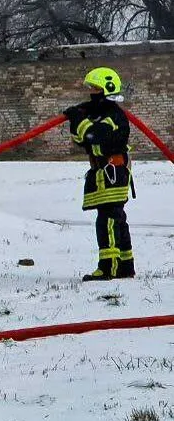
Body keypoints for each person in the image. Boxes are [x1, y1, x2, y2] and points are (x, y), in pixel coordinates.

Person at [63, 67, 134, 281]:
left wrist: (79, 120)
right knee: (116, 218)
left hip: (112, 173)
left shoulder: (113, 117)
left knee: (109, 220)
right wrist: (79, 120)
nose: (91, 92)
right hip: (105, 173)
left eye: (94, 88)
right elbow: (81, 140)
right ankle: (125, 266)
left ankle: (109, 268)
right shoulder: (101, 115)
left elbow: (94, 137)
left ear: (105, 90)